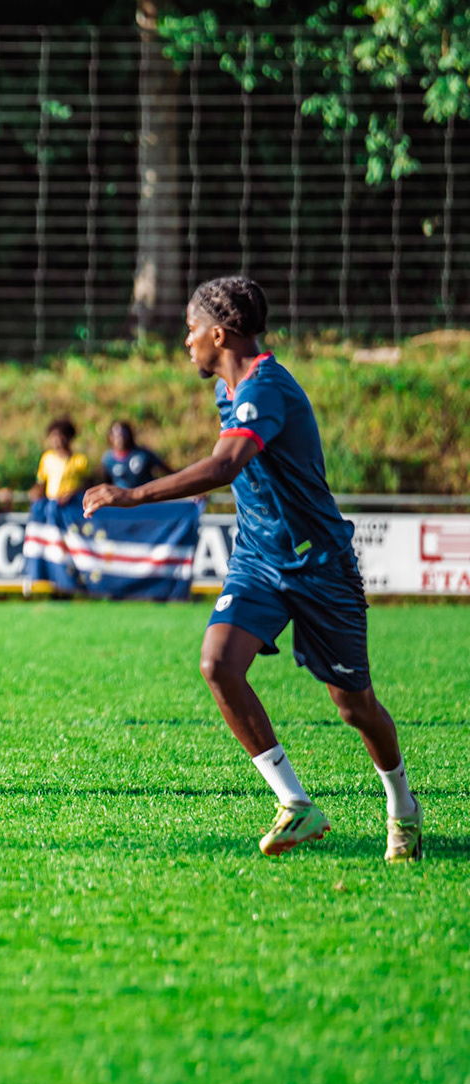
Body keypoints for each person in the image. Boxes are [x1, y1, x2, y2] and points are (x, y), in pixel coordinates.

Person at [84, 276, 421, 862]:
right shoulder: (229, 391)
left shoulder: (266, 388)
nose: (186, 342)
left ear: (219, 332)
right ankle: (296, 804)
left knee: (354, 707)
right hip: (259, 561)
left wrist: (132, 497)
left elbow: (225, 465)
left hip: (319, 566)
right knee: (216, 663)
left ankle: (403, 808)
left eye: (191, 331)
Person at [29, 417, 90, 505]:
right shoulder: (47, 458)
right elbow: (41, 481)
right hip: (53, 503)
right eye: (53, 435)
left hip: (73, 503)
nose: (56, 439)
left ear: (68, 437)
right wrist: (36, 491)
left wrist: (71, 494)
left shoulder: (80, 460)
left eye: (59, 435)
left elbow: (87, 485)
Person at [101, 421, 172, 490]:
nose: (120, 438)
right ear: (111, 437)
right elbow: (107, 484)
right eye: (117, 435)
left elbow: (165, 470)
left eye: (124, 434)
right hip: (123, 500)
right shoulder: (108, 459)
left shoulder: (143, 454)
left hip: (147, 497)